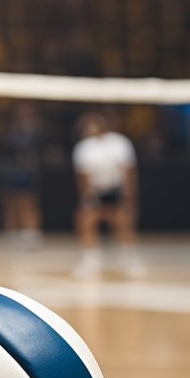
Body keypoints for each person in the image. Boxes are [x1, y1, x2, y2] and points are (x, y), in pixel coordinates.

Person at [71, 113, 142, 279]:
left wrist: (129, 194)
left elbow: (129, 171)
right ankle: (91, 260)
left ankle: (128, 258)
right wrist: (88, 196)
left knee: (123, 221)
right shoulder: (83, 148)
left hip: (115, 188)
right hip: (95, 190)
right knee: (86, 220)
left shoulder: (119, 143)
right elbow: (83, 176)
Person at [0, 102, 44, 248]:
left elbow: (40, 150)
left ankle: (31, 233)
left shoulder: (36, 131)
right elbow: (5, 147)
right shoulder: (11, 130)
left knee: (29, 202)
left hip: (29, 172)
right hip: (12, 170)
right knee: (11, 202)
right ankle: (12, 234)